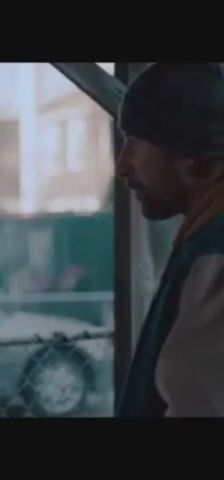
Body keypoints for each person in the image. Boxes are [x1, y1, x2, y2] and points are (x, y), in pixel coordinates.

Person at [116, 63, 224, 417]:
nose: (122, 166)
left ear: (189, 151)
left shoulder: (215, 254)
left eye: (134, 143)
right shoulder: (202, 241)